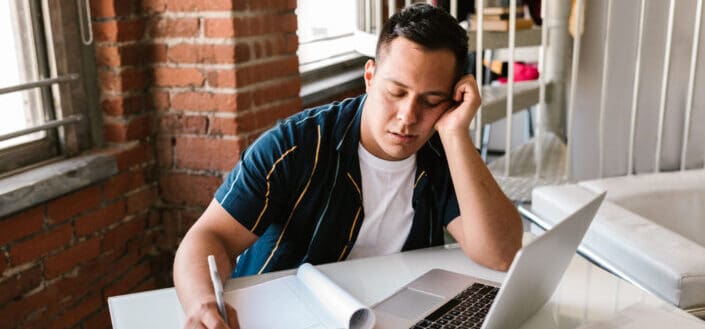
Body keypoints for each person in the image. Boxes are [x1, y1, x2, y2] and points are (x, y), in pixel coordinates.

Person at [173, 4, 522, 329]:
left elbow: (501, 254)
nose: (408, 117)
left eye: (431, 101)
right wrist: (202, 303)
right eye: (395, 92)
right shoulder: (293, 146)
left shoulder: (442, 149)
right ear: (369, 77)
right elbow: (207, 237)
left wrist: (456, 132)